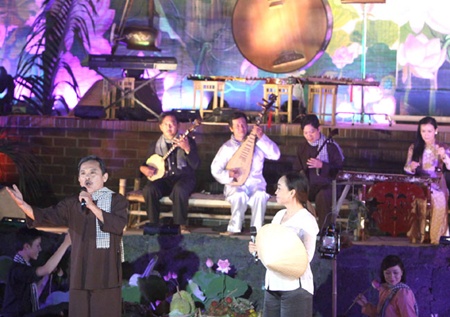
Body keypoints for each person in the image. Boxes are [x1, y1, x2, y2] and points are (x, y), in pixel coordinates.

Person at [6, 155, 128, 317]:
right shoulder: (72, 204)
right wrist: (24, 205)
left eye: (93, 172)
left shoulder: (117, 201)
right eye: (83, 173)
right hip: (80, 276)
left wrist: (92, 205)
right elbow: (45, 215)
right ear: (79, 179)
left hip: (107, 276)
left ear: (104, 177)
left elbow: (118, 225)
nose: (88, 177)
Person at [249, 172, 319, 317]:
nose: (276, 192)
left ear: (292, 192)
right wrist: (258, 249)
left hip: (294, 287)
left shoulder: (307, 219)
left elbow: (306, 257)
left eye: (279, 188)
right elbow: (270, 247)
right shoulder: (279, 215)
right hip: (273, 284)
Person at [211, 111, 280, 235]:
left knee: (260, 195)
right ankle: (234, 229)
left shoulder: (258, 143)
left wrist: (262, 137)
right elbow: (215, 170)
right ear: (231, 128)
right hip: (235, 185)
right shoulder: (227, 148)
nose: (241, 128)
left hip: (256, 183)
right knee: (239, 195)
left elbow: (276, 155)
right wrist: (229, 175)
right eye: (237, 125)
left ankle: (257, 232)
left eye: (243, 124)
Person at [140, 112, 200, 234]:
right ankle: (154, 223)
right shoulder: (155, 145)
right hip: (164, 180)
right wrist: (143, 169)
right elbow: (145, 164)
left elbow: (196, 165)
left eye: (172, 124)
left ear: (178, 126)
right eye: (166, 124)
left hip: (184, 178)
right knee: (149, 189)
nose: (169, 127)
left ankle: (180, 226)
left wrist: (187, 149)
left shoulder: (187, 141)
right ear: (160, 127)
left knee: (179, 190)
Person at [2, 228, 71, 317]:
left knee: (58, 306)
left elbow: (35, 292)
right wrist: (66, 244)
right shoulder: (18, 269)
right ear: (27, 246)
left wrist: (47, 275)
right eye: (37, 245)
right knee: (59, 308)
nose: (40, 249)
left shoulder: (23, 266)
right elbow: (47, 269)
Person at [404, 116, 450, 244]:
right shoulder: (414, 148)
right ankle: (420, 237)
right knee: (419, 205)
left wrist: (444, 156)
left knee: (438, 202)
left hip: (437, 185)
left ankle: (436, 238)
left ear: (436, 130)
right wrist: (411, 167)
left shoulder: (442, 147)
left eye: (429, 131)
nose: (426, 134)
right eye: (423, 131)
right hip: (420, 183)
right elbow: (407, 167)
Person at [293, 114, 344, 229]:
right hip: (309, 185)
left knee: (322, 196)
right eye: (305, 133)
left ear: (319, 129)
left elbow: (339, 170)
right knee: (295, 194)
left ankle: (324, 231)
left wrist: (322, 165)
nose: (309, 136)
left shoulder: (330, 146)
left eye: (312, 132)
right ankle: (300, 231)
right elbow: (297, 168)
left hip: (328, 185)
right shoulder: (302, 148)